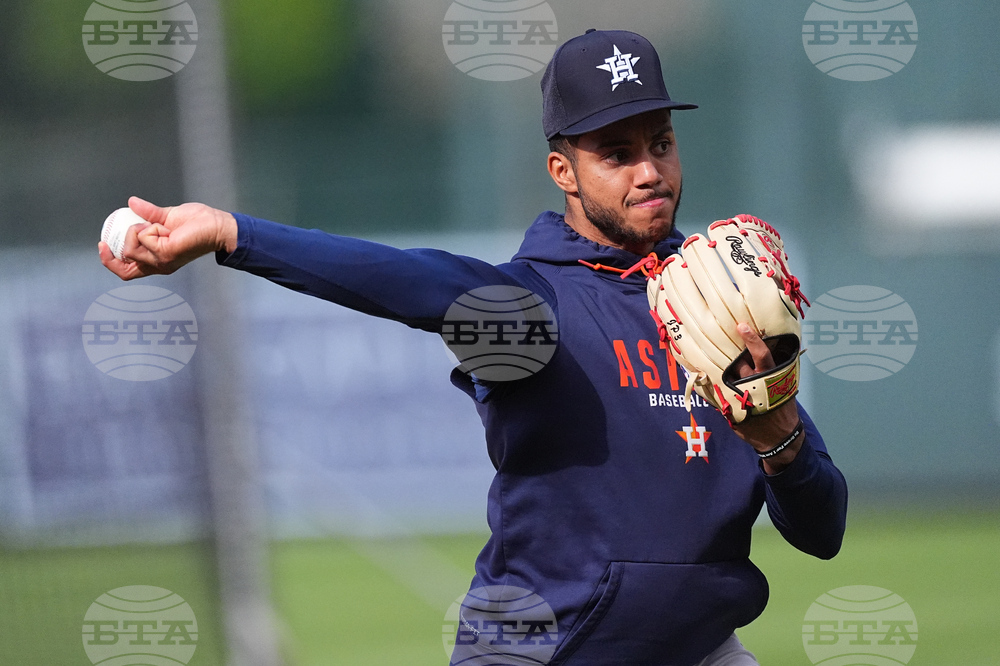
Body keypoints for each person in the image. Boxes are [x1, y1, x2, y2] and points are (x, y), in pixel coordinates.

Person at [100, 29, 847, 666]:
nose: (649, 170)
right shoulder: (530, 307)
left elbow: (824, 530)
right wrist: (232, 233)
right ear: (563, 172)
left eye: (661, 143)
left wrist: (779, 440)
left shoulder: (718, 304)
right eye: (616, 152)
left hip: (701, 649)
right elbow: (396, 278)